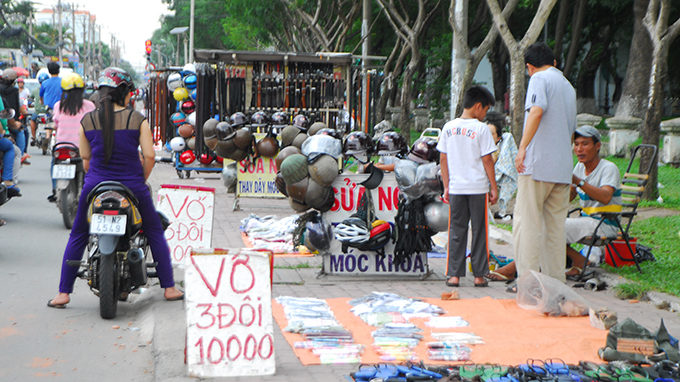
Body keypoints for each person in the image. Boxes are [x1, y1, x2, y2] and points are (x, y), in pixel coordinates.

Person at [48, 67, 183, 308]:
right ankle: (170, 288)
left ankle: (63, 293)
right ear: (126, 94)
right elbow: (150, 156)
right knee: (153, 231)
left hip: (95, 185)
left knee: (79, 234)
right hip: (132, 184)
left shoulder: (87, 120)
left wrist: (97, 177)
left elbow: (86, 158)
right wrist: (139, 179)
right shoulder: (137, 119)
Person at [487, 126, 621, 282]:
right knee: (546, 225)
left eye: (585, 144)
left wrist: (578, 181)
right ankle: (577, 260)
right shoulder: (579, 167)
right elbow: (569, 197)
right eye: (576, 144)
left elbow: (605, 197)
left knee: (548, 231)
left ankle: (514, 269)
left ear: (597, 146)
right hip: (587, 221)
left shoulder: (608, 168)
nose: (579, 149)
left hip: (603, 223)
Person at [513, 42, 577, 283]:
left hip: (537, 164)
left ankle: (528, 284)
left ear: (530, 67)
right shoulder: (568, 86)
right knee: (555, 230)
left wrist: (522, 148)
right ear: (555, 63)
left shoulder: (538, 79)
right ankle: (556, 286)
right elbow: (571, 129)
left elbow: (537, 112)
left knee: (527, 223)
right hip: (561, 167)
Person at [437, 85, 498, 288]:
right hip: (478, 188)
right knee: (479, 231)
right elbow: (488, 160)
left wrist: (446, 186)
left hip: (455, 188)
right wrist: (493, 187)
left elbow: (443, 160)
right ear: (478, 106)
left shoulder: (448, 127)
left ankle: (453, 275)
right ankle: (479, 275)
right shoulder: (481, 129)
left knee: (456, 230)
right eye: (486, 109)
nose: (485, 114)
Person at [47, 73, 96, 202]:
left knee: (55, 161)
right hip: (82, 148)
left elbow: (56, 123)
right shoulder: (89, 106)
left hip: (62, 147)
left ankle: (54, 188)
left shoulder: (58, 106)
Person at [487, 122, 518, 219]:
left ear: (498, 138)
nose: (488, 136)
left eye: (491, 133)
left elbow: (490, 163)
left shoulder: (496, 149)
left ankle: (501, 212)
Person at [0, 69, 30, 162]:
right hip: (9, 121)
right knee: (22, 131)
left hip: (6, 120)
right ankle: (21, 155)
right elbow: (19, 105)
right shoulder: (15, 91)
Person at [30, 73, 49, 146]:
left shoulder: (36, 90)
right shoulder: (35, 91)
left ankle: (34, 137)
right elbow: (30, 99)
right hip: (41, 112)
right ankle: (34, 137)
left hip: (47, 112)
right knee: (32, 119)